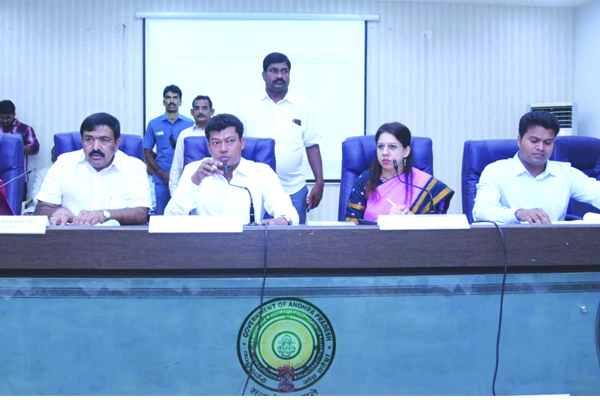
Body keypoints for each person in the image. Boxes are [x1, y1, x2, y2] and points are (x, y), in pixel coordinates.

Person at [235, 52, 323, 224]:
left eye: (284, 71)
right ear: (264, 75)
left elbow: (312, 145)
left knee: (294, 237)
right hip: (254, 188)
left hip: (293, 189)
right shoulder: (246, 106)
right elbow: (235, 145)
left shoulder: (303, 106)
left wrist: (319, 182)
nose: (280, 76)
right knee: (253, 236)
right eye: (274, 71)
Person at [165, 113, 299, 226]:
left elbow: (289, 213)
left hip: (249, 245)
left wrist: (280, 221)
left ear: (242, 143)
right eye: (216, 143)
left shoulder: (262, 172)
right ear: (209, 148)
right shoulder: (193, 171)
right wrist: (194, 182)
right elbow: (170, 218)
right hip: (204, 245)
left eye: (230, 141)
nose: (223, 149)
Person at [473, 110, 600, 224]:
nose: (541, 147)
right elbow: (480, 211)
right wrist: (517, 214)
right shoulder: (496, 171)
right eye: (534, 141)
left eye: (548, 143)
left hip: (555, 240)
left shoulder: (566, 173)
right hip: (510, 241)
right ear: (519, 140)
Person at [35, 112, 151, 226]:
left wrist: (105, 214)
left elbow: (141, 213)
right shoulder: (63, 163)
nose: (95, 147)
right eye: (89, 139)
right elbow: (42, 208)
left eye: (104, 140)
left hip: (115, 236)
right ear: (82, 141)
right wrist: (57, 212)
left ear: (116, 144)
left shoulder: (134, 167)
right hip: (70, 234)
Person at [346, 122, 454, 223]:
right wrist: (385, 221)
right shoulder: (365, 181)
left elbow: (435, 229)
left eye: (392, 147)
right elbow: (352, 226)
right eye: (380, 146)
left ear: (406, 151)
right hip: (372, 237)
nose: (385, 152)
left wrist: (416, 222)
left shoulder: (423, 185)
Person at [144, 85, 194, 215]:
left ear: (180, 102)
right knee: (162, 216)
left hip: (184, 179)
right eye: (168, 98)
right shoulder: (153, 124)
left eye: (175, 98)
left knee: (185, 215)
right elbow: (147, 153)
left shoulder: (189, 124)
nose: (171, 101)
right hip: (161, 178)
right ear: (163, 101)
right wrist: (160, 173)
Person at [169, 95, 215, 195]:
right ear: (192, 112)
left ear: (212, 112)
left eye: (204, 108)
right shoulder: (184, 135)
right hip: (189, 189)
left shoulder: (219, 134)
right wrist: (175, 196)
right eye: (197, 108)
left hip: (214, 190)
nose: (200, 112)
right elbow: (176, 168)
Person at [0, 100, 40, 199]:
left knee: (17, 207)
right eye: (2, 117)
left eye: (8, 118)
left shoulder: (25, 128)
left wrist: (13, 146)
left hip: (17, 178)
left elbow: (35, 148)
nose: (5, 121)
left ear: (14, 115)